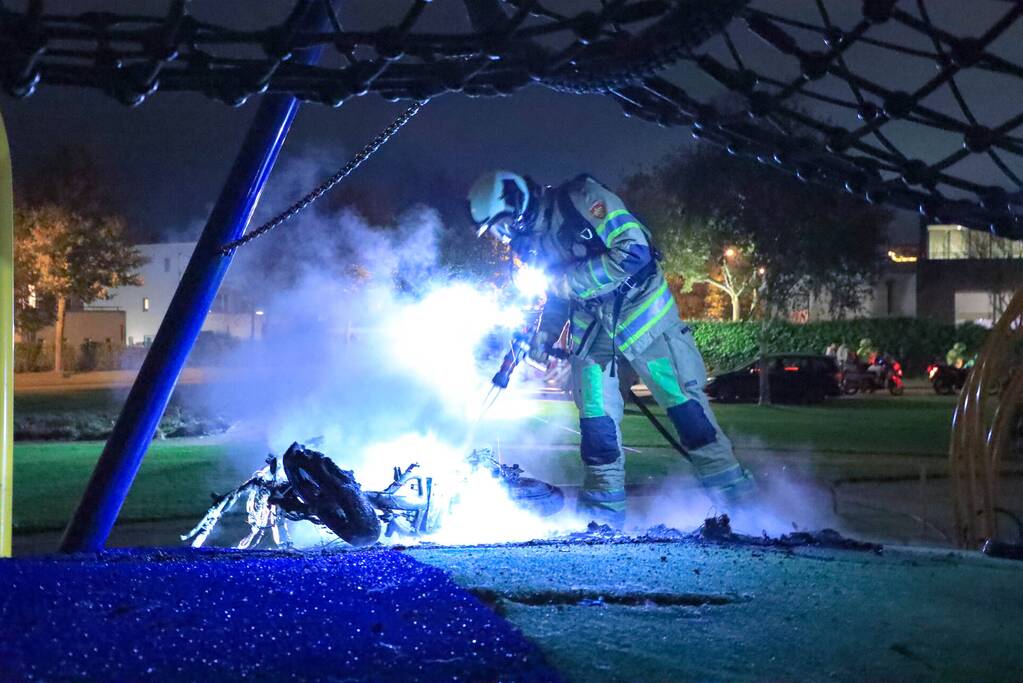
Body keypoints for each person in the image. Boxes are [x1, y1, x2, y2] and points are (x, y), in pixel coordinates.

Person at [468, 170, 755, 526]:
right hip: (593, 333)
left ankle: (746, 512)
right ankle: (602, 524)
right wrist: (543, 337)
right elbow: (557, 296)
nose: (503, 235)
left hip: (646, 322)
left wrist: (569, 282)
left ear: (517, 203)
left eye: (501, 225)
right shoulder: (532, 243)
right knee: (597, 429)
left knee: (690, 417)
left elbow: (633, 253)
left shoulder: (584, 200)